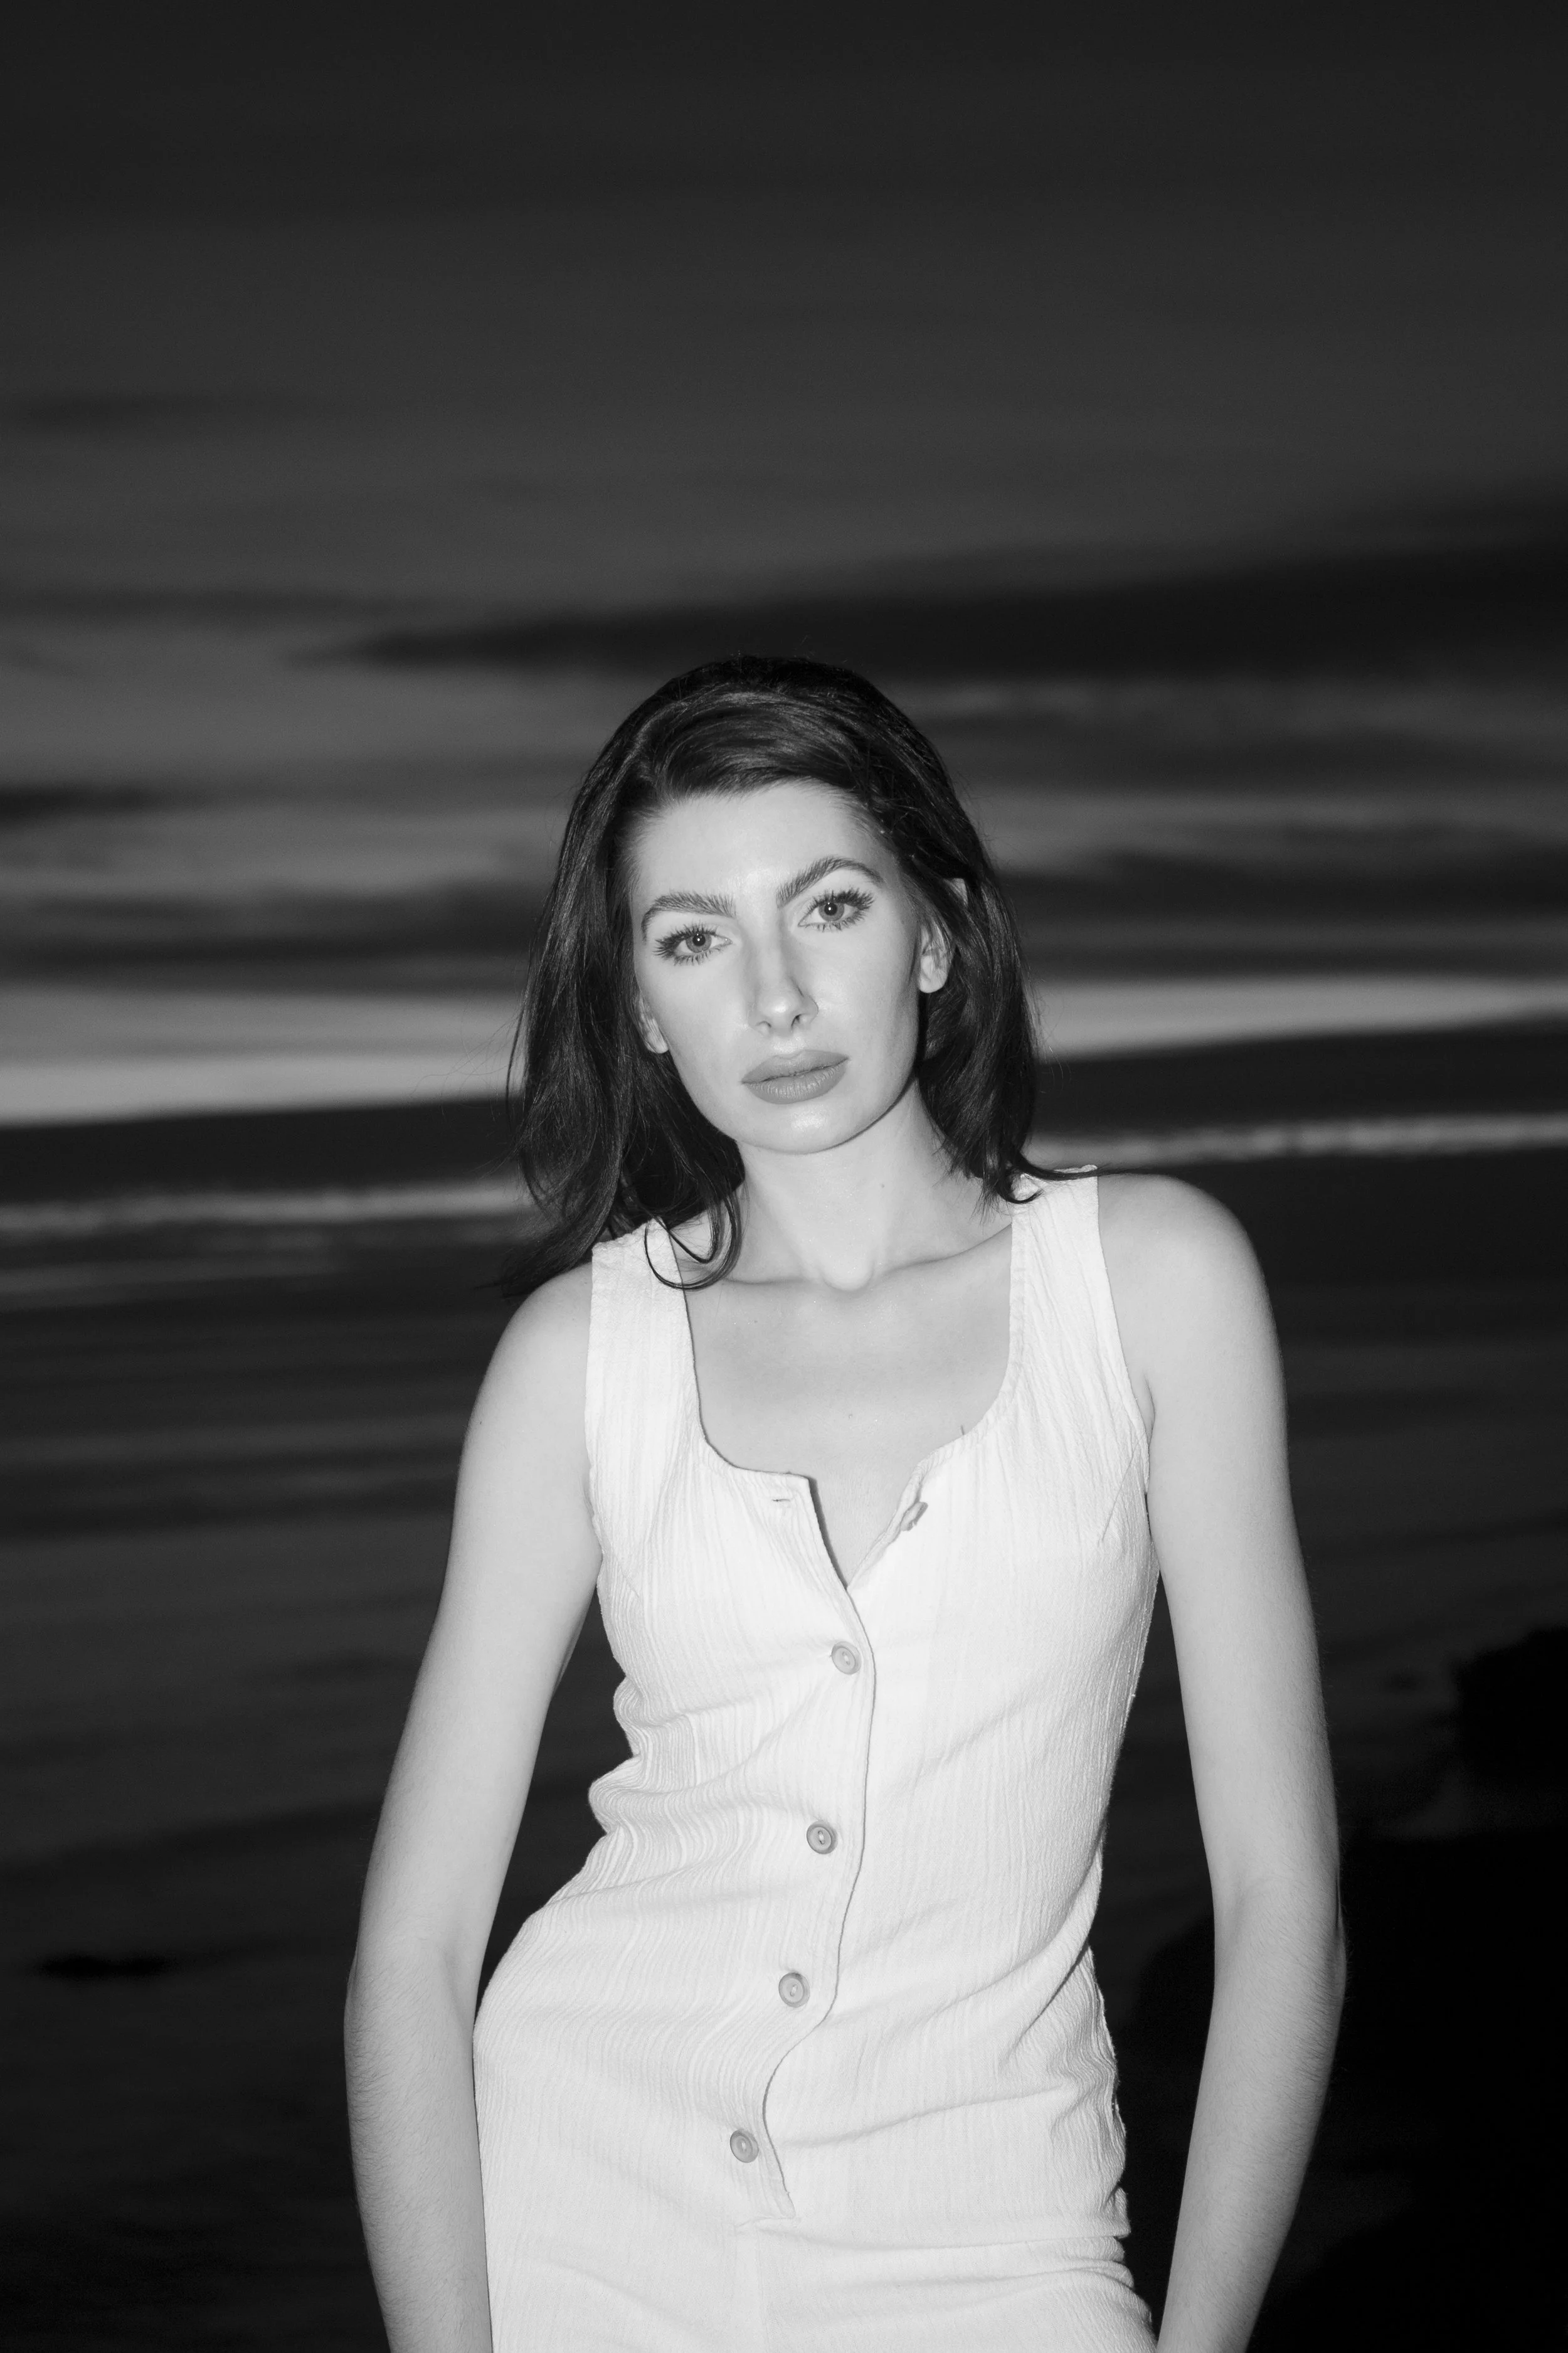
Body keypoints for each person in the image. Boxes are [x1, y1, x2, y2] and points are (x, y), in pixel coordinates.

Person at [344, 656, 1345, 2352]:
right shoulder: (580, 1355)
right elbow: (415, 1954)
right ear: (639, 1007)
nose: (777, 996)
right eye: (693, 939)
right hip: (581, 2214)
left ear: (935, 934)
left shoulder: (1152, 1284)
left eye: (828, 906)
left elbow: (1281, 1901)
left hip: (991, 2232)